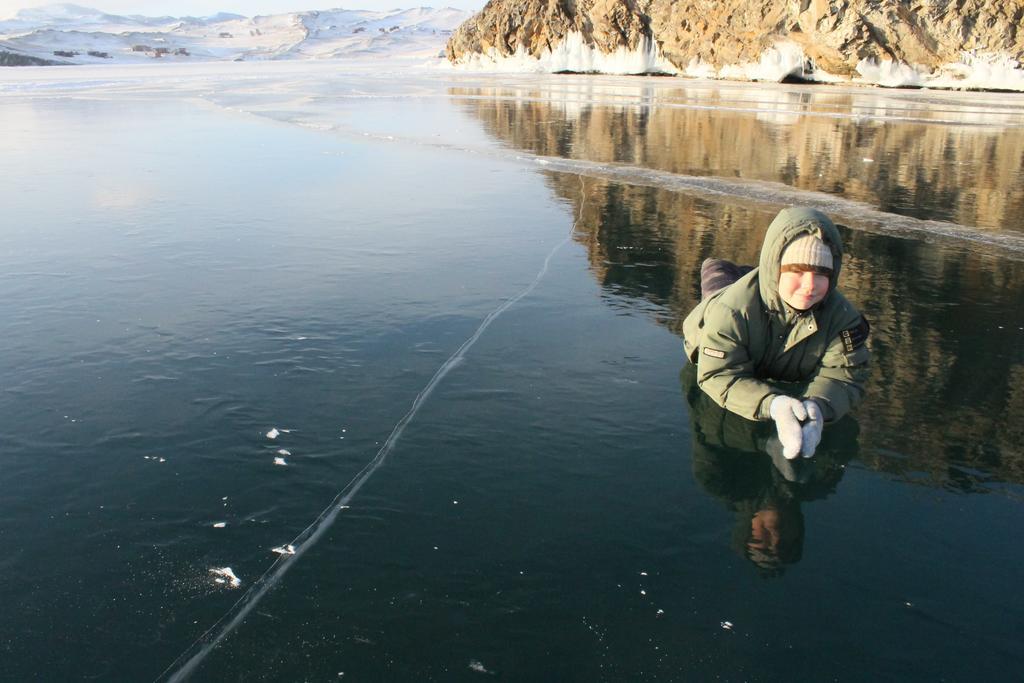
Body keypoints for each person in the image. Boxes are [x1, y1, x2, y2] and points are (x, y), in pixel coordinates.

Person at [682, 207, 870, 459]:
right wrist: (774, 405)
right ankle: (719, 266)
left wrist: (818, 407)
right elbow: (718, 374)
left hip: (767, 291)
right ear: (777, 267)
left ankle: (758, 274)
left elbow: (846, 377)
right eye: (797, 270)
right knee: (718, 281)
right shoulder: (730, 312)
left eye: (822, 273)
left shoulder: (844, 318)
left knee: (767, 287)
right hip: (718, 310)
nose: (810, 285)